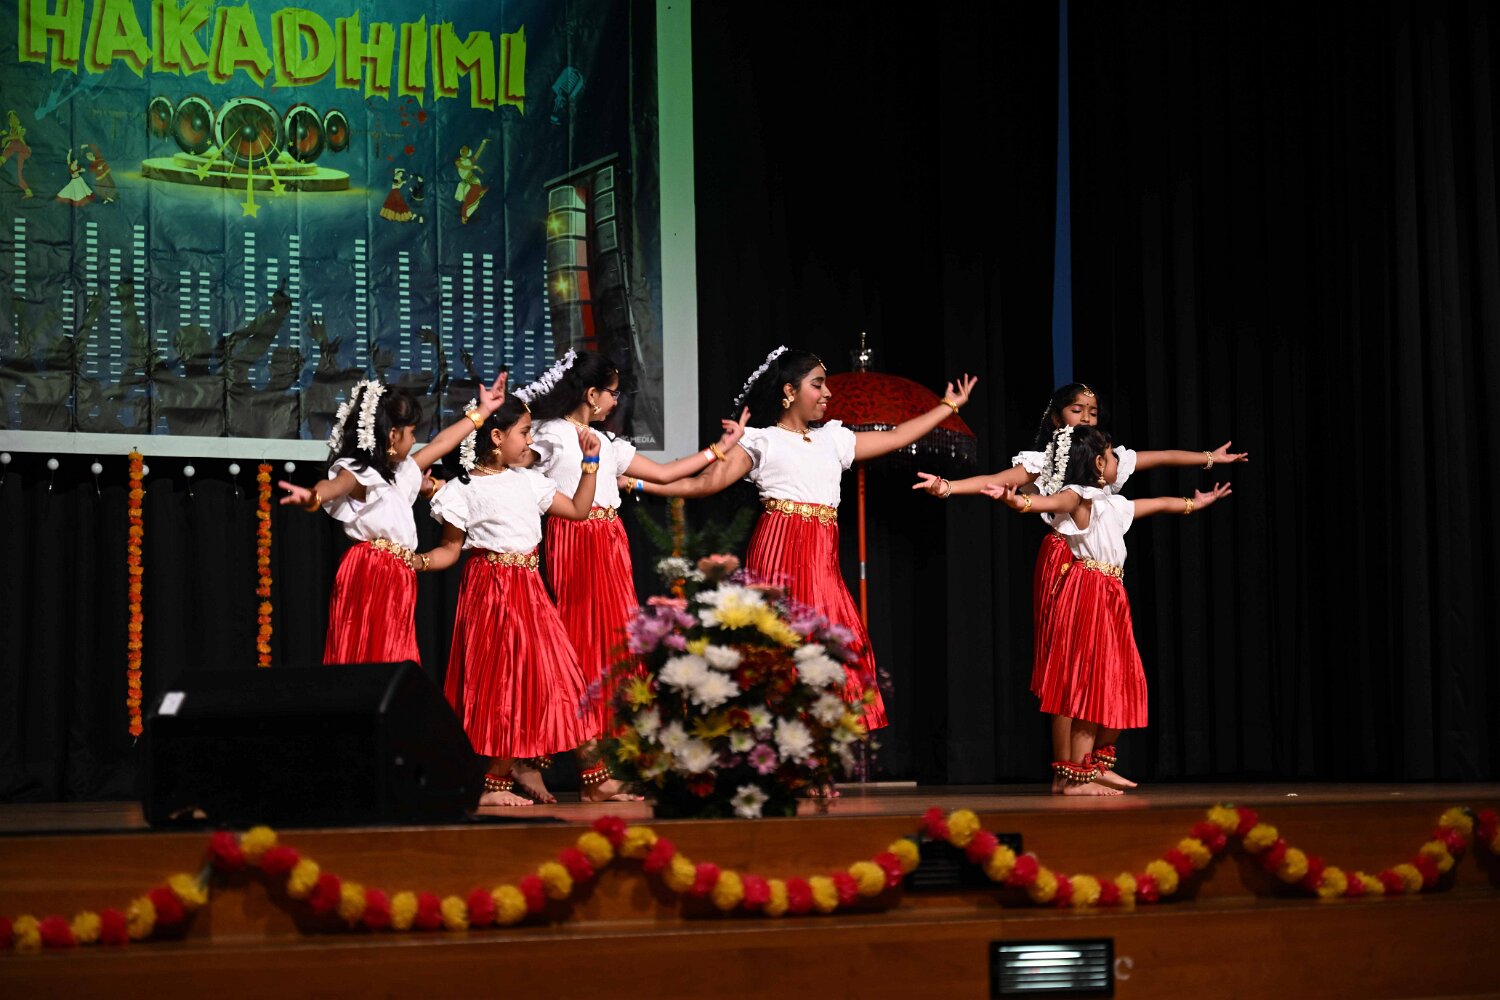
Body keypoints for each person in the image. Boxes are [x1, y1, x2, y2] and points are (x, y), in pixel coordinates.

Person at [913, 382, 1247, 789]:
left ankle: (1091, 764)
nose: (1087, 417)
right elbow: (1004, 483)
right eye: (1077, 410)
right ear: (1057, 418)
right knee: (1071, 670)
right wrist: (952, 487)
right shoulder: (1052, 467)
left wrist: (1208, 460)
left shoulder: (1104, 481)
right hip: (1068, 565)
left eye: (1093, 411)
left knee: (1107, 671)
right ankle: (1069, 770)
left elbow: (1158, 462)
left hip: (1103, 576)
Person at [638, 346, 976, 732]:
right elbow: (702, 484)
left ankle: (816, 746)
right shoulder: (762, 440)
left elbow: (898, 435)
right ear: (789, 391)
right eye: (817, 384)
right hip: (779, 550)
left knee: (833, 644)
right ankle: (779, 743)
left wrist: (948, 406)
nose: (827, 393)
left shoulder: (834, 439)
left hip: (821, 557)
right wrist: (638, 482)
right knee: (779, 646)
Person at [984, 424, 1232, 794]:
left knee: (1122, 680)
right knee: (1092, 683)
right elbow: (1048, 504)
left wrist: (1193, 504)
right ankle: (1076, 777)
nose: (1120, 461)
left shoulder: (1109, 503)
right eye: (1114, 456)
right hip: (1089, 591)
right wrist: (1018, 501)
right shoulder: (1078, 497)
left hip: (1112, 594)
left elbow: (1153, 504)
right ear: (1099, 463)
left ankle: (1091, 768)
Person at [519, 349, 747, 742]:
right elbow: (517, 464)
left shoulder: (609, 442)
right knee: (580, 631)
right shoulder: (551, 433)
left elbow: (665, 473)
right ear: (592, 394)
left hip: (611, 540)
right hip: (574, 539)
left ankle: (612, 735)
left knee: (615, 635)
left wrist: (720, 447)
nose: (616, 400)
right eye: (612, 392)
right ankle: (577, 734)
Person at [424, 395, 637, 804]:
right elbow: (450, 550)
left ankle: (594, 778)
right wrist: (416, 562)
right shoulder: (462, 490)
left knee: (565, 677)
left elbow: (578, 510)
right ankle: (493, 784)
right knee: (504, 684)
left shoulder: (529, 481)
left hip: (531, 589)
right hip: (492, 591)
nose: (530, 440)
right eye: (524, 432)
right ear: (496, 437)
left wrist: (590, 463)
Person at [278, 373, 506, 664]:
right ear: (393, 435)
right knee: (369, 648)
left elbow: (443, 443)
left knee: (395, 650)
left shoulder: (403, 471)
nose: (415, 439)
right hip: (371, 570)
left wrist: (483, 411)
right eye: (412, 432)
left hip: (398, 572)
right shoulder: (360, 472)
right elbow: (336, 486)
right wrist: (314, 496)